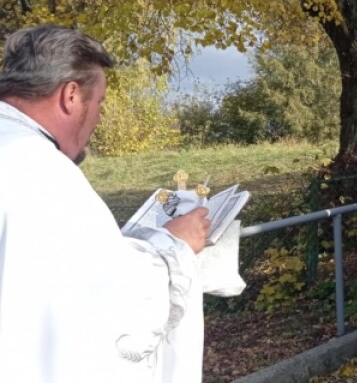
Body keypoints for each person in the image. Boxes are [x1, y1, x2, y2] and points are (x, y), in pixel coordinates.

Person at [0, 25, 211, 383]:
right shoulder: (40, 172)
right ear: (70, 96)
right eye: (99, 103)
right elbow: (104, 306)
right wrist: (174, 245)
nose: (98, 118)